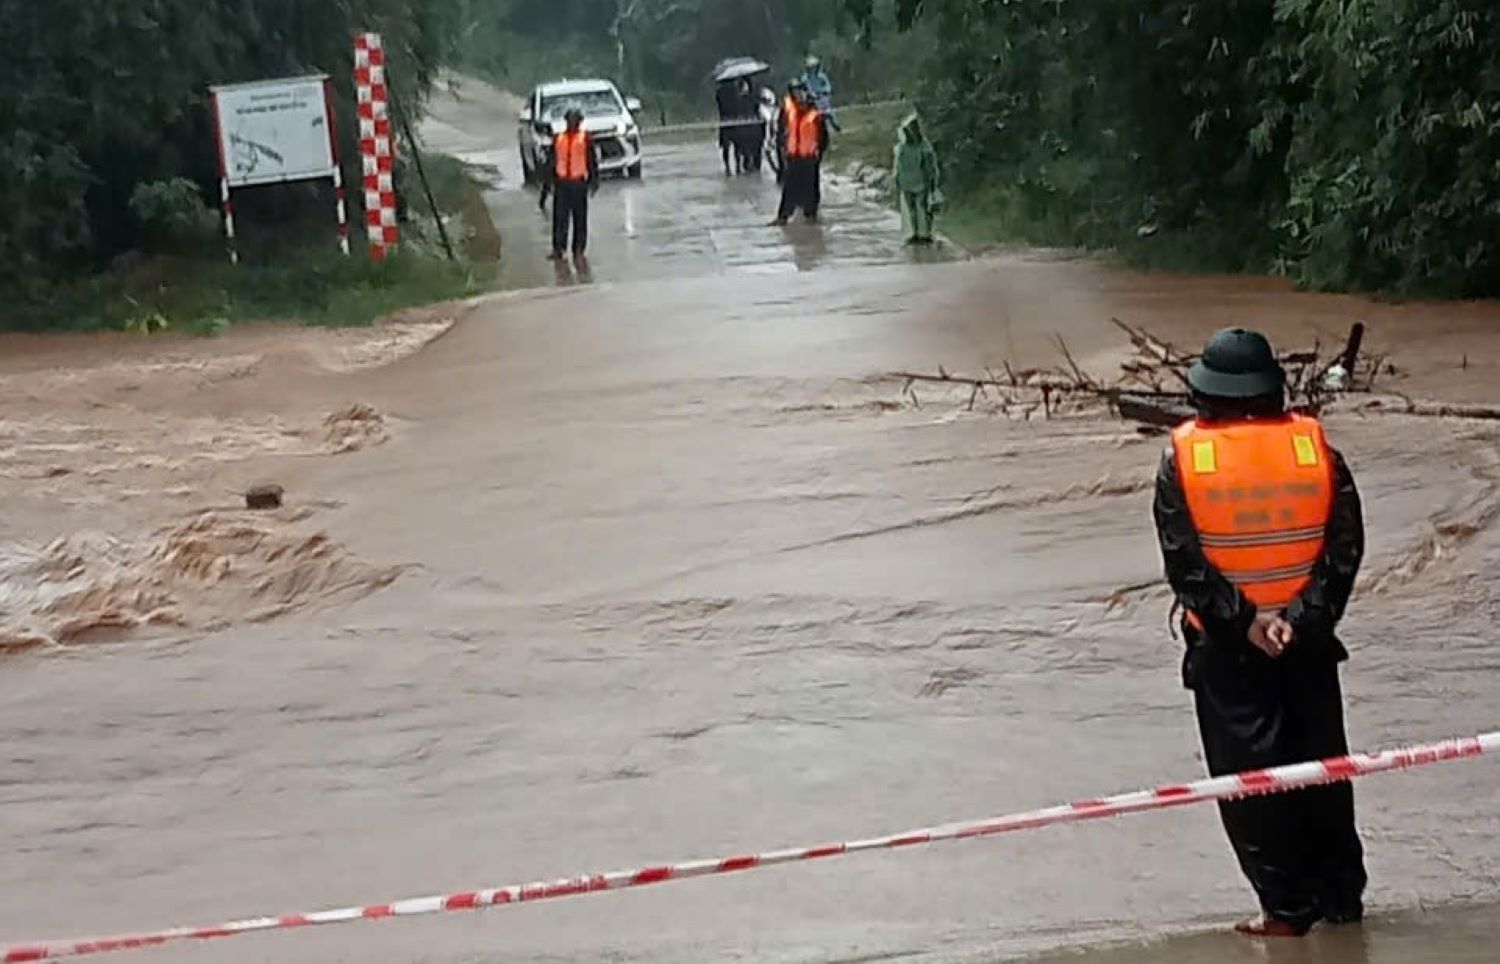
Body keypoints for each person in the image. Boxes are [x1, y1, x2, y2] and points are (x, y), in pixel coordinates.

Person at [1152, 327, 1367, 938]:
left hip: (1229, 653)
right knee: (1324, 772)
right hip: (1308, 645)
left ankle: (1285, 911)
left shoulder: (1185, 460)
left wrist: (1247, 625)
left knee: (1249, 785)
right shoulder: (1316, 450)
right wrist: (1298, 621)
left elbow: (1186, 564)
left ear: (1207, 395)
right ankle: (1343, 904)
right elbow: (1344, 549)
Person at [539, 107, 599, 263]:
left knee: (580, 218)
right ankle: (559, 248)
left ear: (579, 122)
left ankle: (578, 248)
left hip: (578, 183)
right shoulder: (559, 138)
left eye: (576, 120)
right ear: (566, 122)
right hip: (562, 183)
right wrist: (548, 184)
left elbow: (591, 161)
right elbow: (551, 162)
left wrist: (593, 181)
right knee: (560, 218)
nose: (573, 123)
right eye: (570, 120)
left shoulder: (585, 138)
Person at [773, 84, 827, 226]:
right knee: (789, 187)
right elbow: (781, 131)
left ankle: (811, 215)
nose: (799, 96)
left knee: (811, 188)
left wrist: (818, 153)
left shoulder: (815, 113)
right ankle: (783, 216)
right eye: (795, 92)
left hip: (809, 157)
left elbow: (823, 137)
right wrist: (782, 150)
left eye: (801, 92)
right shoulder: (788, 110)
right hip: (793, 156)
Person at [892, 113, 940, 244]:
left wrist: (932, 182)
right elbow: (898, 166)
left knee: (924, 208)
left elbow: (930, 167)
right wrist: (896, 180)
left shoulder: (924, 147)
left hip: (921, 182)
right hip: (907, 182)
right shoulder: (902, 147)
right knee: (912, 208)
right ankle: (915, 233)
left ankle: (927, 233)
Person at [799, 54, 838, 131]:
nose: (813, 69)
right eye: (811, 67)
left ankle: (834, 125)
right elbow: (804, 90)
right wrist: (809, 94)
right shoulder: (804, 78)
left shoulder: (821, 76)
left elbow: (827, 86)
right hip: (811, 100)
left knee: (829, 111)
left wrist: (826, 91)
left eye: (814, 66)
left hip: (822, 97)